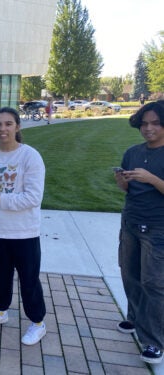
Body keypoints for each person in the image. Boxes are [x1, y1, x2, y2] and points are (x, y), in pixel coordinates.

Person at [0, 107, 47, 346]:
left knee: (29, 280)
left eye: (8, 124)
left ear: (17, 127)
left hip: (24, 232)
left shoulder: (30, 156)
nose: (2, 129)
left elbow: (33, 197)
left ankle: (37, 323)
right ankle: (1, 311)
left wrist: (1, 199)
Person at [114, 101, 164, 364]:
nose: (148, 128)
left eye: (155, 123)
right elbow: (128, 189)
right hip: (131, 222)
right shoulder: (132, 152)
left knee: (153, 283)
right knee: (129, 274)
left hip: (158, 229)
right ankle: (134, 318)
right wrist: (123, 182)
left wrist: (152, 179)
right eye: (144, 123)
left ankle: (154, 341)